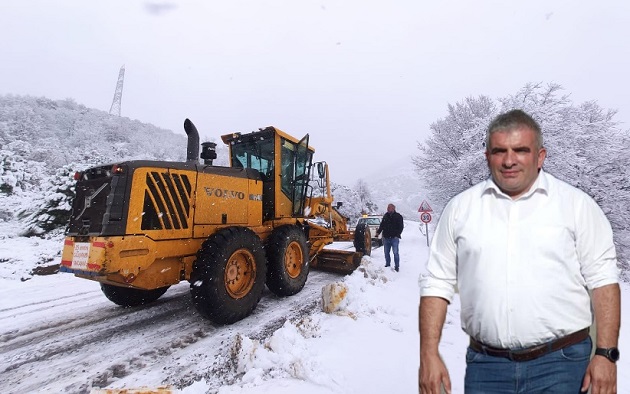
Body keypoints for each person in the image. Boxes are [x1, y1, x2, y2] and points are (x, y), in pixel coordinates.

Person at [418, 109, 620, 394]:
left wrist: (606, 355)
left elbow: (603, 281)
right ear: (487, 156)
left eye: (520, 150)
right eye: (500, 151)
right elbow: (437, 283)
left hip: (562, 365)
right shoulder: (460, 209)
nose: (509, 160)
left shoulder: (576, 206)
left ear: (540, 156)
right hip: (486, 367)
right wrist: (428, 354)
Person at [375, 203, 404, 271]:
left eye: (389, 207)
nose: (387, 209)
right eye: (387, 207)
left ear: (393, 208)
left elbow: (401, 227)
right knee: (386, 252)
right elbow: (382, 225)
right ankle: (387, 264)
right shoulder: (386, 216)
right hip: (386, 238)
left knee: (395, 253)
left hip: (394, 238)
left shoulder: (398, 216)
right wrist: (378, 232)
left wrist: (397, 235)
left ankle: (397, 266)